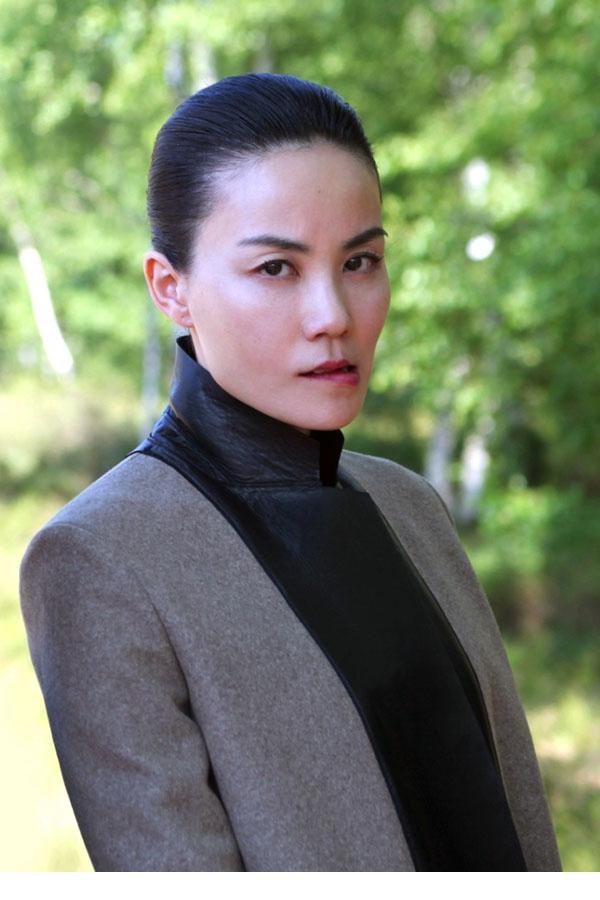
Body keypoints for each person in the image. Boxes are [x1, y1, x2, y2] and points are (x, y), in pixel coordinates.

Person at [19, 72, 561, 873]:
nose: (333, 316)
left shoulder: (410, 506)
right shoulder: (102, 559)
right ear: (171, 289)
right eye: (276, 268)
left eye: (361, 261)